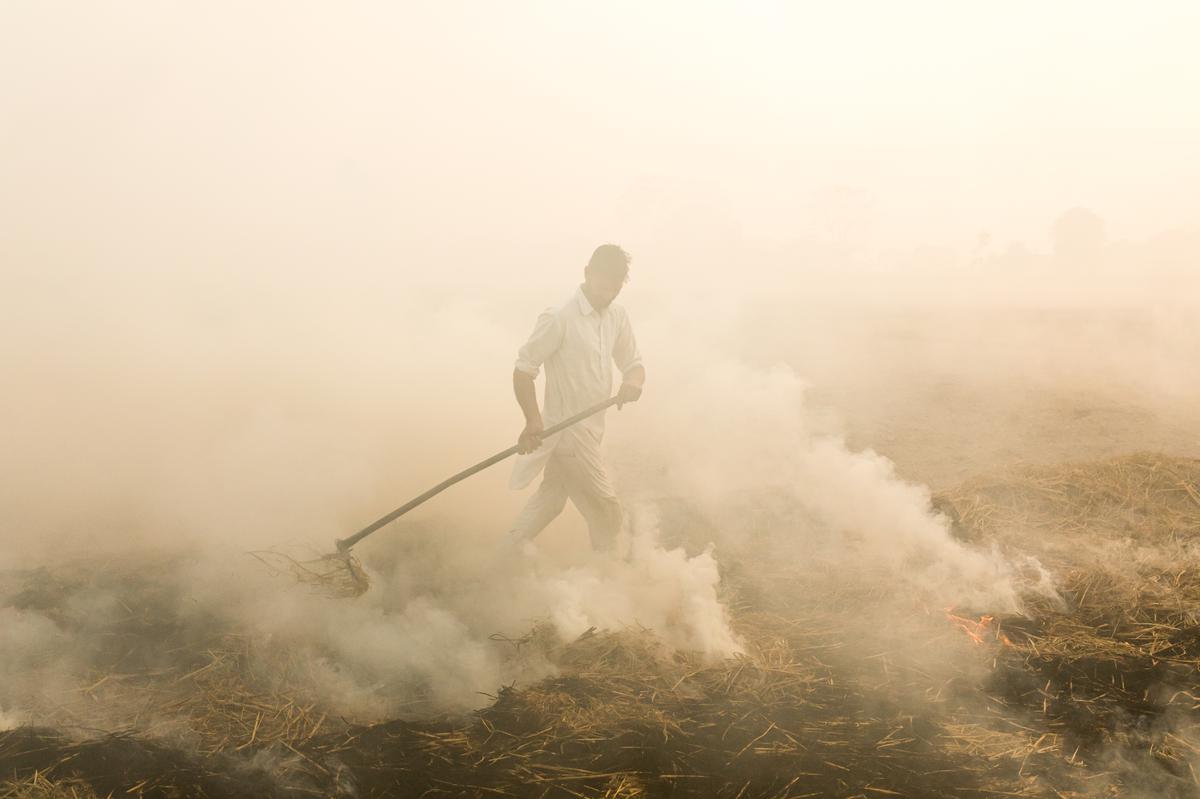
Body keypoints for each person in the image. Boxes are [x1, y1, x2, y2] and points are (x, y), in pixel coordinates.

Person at [507, 244, 646, 553]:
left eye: (615, 286)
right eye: (602, 283)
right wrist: (533, 421)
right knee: (606, 511)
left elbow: (633, 364)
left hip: (591, 431)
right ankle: (606, 575)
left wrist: (632, 383)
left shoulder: (617, 317)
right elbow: (523, 370)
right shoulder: (559, 317)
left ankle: (504, 555)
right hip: (567, 433)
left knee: (553, 499)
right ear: (587, 273)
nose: (607, 292)